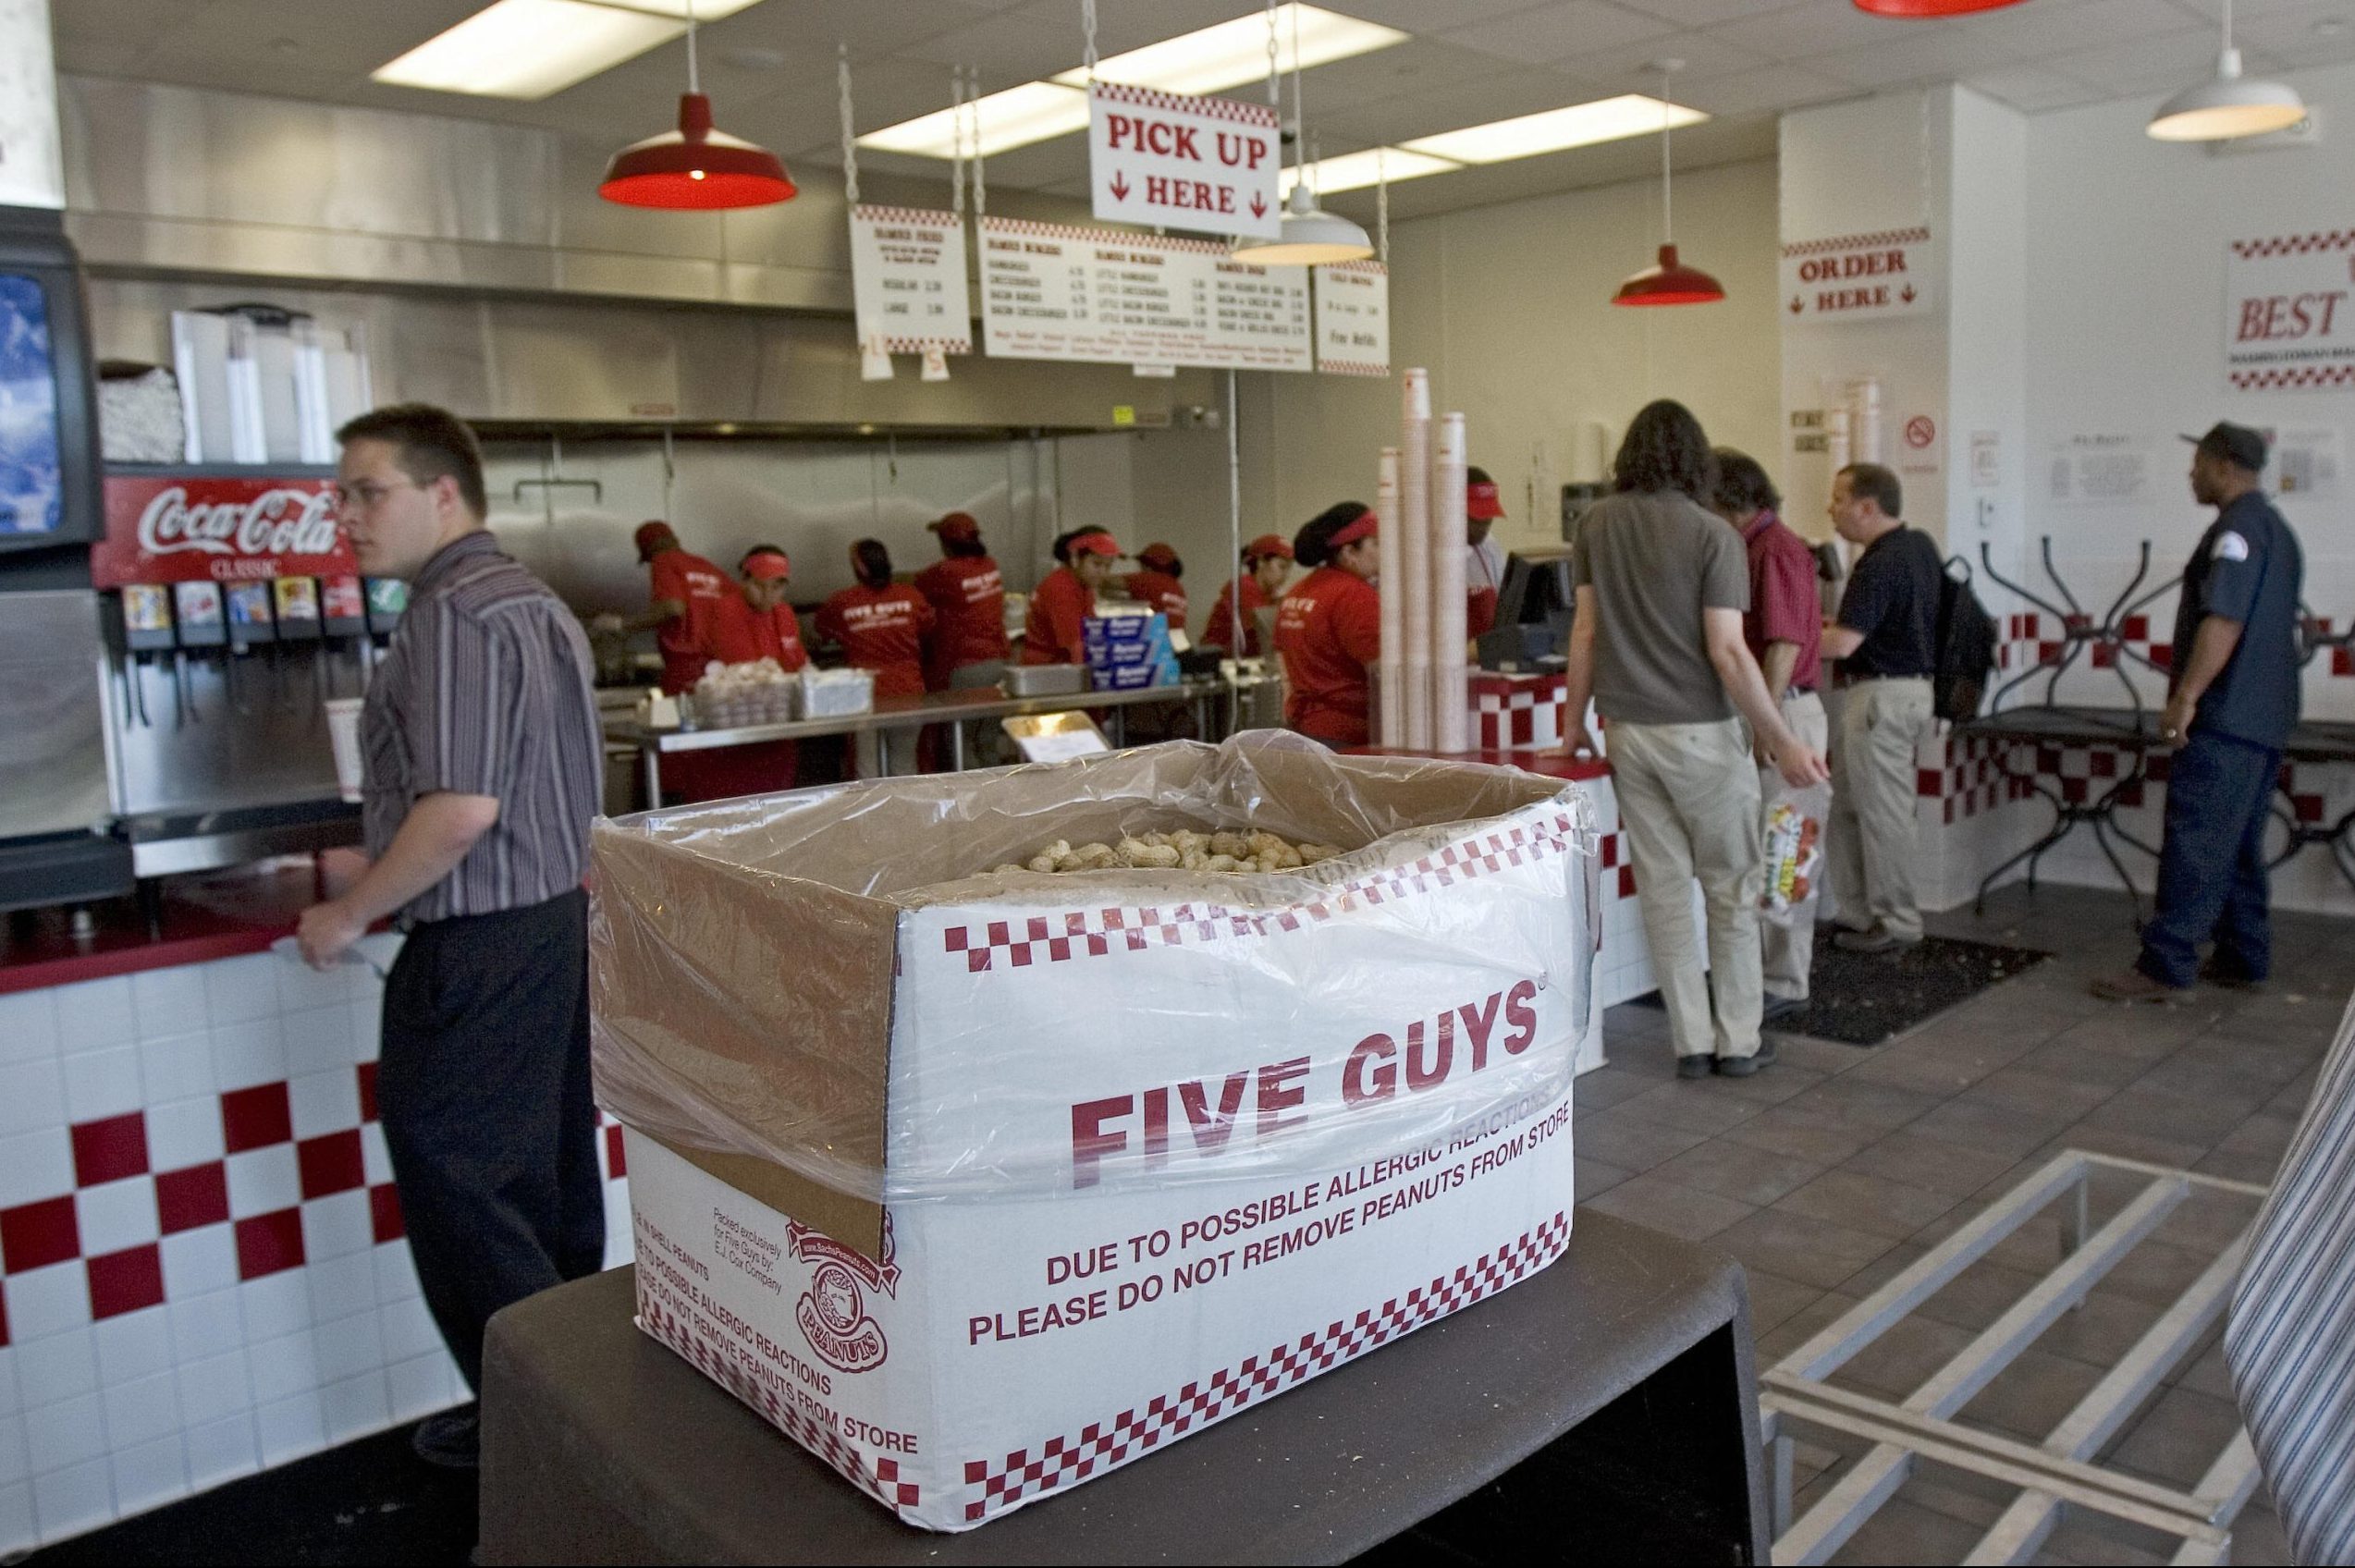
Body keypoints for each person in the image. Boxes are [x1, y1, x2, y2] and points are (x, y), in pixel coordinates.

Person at [295, 404, 604, 1467]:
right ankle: (585, 1426)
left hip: (477, 948)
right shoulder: (531, 601)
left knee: (468, 1194)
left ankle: (550, 1443)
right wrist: (376, 862)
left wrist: (349, 908)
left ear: (442, 493)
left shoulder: (454, 615)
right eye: (342, 495)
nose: (347, 515)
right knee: (546, 1185)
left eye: (365, 491)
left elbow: (462, 809)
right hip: (553, 928)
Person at [1561, 401, 1827, 1080]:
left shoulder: (1596, 523)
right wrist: (1780, 739)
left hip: (1626, 736)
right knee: (1731, 892)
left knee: (1664, 892)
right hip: (1702, 738)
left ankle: (1690, 1042)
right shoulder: (1714, 536)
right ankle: (1737, 1040)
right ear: (1697, 460)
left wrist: (1572, 727)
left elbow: (1585, 632)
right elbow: (1729, 653)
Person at [2093, 423, 2304, 1002]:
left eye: (2198, 463)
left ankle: (2165, 965)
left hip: (2226, 717)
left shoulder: (2236, 530)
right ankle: (2243, 955)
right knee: (2236, 842)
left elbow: (2225, 620)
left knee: (2197, 841)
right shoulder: (2277, 530)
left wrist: (2185, 697)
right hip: (2263, 718)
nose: (2191, 473)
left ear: (2223, 465)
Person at [1709, 448, 1826, 1023]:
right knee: (1766, 850)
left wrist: (1769, 725)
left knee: (1785, 852)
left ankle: (1784, 978)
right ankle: (1762, 976)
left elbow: (1784, 644)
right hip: (1777, 717)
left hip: (1787, 717)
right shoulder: (1755, 547)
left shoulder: (1775, 551)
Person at [1818, 462, 1943, 955]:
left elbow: (1844, 644)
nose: (1832, 510)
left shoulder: (1878, 562)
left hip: (1879, 700)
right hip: (1910, 692)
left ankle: (1897, 922)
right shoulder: (1920, 548)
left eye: (1838, 500)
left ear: (1868, 507)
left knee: (1882, 814)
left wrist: (1790, 636)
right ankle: (1859, 914)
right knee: (1850, 808)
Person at [691, 545, 806, 797]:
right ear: (744, 580)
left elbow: (797, 664)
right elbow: (745, 674)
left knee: (779, 805)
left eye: (777, 586)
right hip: (736, 737)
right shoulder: (725, 611)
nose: (768, 595)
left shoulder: (784, 613)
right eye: (760, 586)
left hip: (777, 734)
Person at [818, 539, 936, 776]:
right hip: (908, 690)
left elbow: (823, 631)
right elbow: (928, 628)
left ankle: (870, 812)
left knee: (866, 766)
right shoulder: (911, 596)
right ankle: (905, 811)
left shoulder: (842, 602)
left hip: (863, 694)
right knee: (904, 763)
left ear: (859, 567)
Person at [1274, 504, 1382, 747]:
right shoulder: (1355, 596)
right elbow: (1384, 671)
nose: (1381, 551)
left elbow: (1283, 666)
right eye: (1375, 543)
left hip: (1302, 729)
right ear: (1349, 552)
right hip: (1346, 737)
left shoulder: (1297, 591)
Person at [596, 521, 732, 695]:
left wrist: (620, 624)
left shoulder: (663, 560)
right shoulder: (709, 567)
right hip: (722, 667)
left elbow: (672, 608)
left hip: (686, 669)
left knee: (683, 720)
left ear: (649, 549)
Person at [912, 511, 1010, 691]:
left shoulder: (944, 572)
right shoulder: (990, 564)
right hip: (998, 658)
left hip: (965, 666)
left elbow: (913, 588)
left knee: (964, 718)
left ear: (946, 543)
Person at [1022, 528, 1119, 666]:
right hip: (1046, 672)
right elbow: (1075, 646)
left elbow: (1090, 632)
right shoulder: (1060, 588)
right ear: (1075, 559)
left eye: (1108, 566)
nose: (1103, 573)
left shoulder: (1083, 584)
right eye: (1097, 564)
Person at [1201, 533, 1294, 657]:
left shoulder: (1271, 594)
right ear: (1261, 562)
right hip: (1218, 660)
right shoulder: (1243, 587)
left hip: (1244, 659)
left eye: (1289, 568)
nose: (1286, 575)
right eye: (1282, 566)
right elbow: (1265, 631)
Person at [1466, 466, 1509, 640]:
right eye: (1476, 519)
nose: (1484, 527)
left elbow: (1506, 600)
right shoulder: (1430, 552)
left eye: (1489, 518)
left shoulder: (1489, 547)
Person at [1123, 543, 1190, 631]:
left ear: (1149, 564)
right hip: (1178, 641)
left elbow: (1106, 582)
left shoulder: (1151, 580)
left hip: (1158, 639)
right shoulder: (1177, 587)